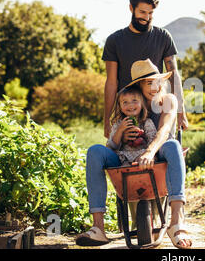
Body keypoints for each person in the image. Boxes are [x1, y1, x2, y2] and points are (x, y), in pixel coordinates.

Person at [76, 59, 192, 249]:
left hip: (160, 156)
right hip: (126, 159)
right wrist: (122, 134)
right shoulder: (129, 104)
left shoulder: (168, 99)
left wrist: (149, 152)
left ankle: (177, 224)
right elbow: (112, 144)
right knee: (95, 151)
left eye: (157, 81)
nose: (155, 87)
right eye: (148, 83)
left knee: (173, 145)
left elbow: (163, 131)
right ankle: (98, 228)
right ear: (139, 85)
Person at [102, 0, 188, 142]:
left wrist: (181, 112)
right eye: (142, 12)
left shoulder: (163, 37)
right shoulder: (114, 41)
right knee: (128, 158)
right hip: (129, 111)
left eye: (151, 13)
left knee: (161, 153)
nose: (147, 17)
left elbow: (174, 75)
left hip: (157, 109)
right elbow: (111, 82)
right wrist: (107, 120)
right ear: (131, 8)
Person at [106, 86, 157, 164]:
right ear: (120, 107)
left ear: (142, 104)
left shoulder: (146, 122)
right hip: (124, 157)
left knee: (143, 159)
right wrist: (120, 130)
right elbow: (111, 147)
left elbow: (152, 141)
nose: (130, 105)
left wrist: (142, 139)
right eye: (125, 102)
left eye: (134, 100)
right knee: (123, 164)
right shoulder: (118, 124)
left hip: (142, 155)